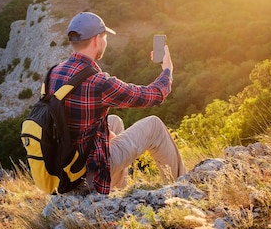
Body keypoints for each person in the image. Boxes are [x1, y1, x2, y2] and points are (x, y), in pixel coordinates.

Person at [48, 11, 187, 194]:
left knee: (113, 121)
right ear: (97, 39)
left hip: (64, 166)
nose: (105, 42)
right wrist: (167, 70)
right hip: (89, 172)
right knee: (154, 125)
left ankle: (117, 190)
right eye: (105, 37)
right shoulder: (98, 82)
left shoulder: (54, 72)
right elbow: (151, 95)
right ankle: (184, 188)